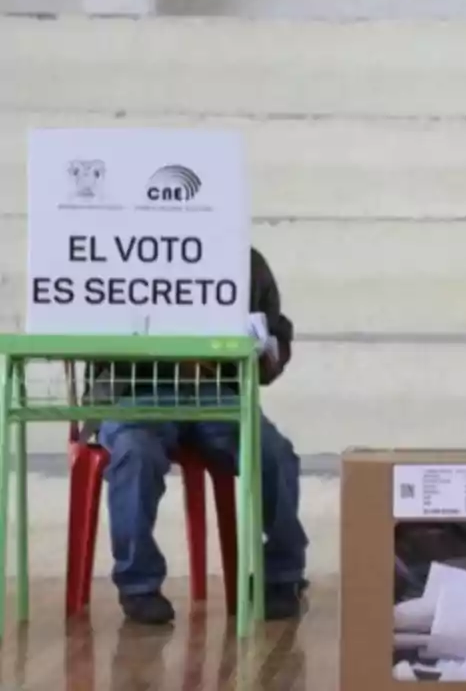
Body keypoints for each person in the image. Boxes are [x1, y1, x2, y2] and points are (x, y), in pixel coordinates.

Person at [88, 248, 308, 625]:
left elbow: (274, 332)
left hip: (216, 391)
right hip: (136, 391)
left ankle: (281, 577)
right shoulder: (116, 250)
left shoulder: (244, 258)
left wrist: (270, 355)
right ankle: (139, 585)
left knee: (273, 453)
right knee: (133, 453)